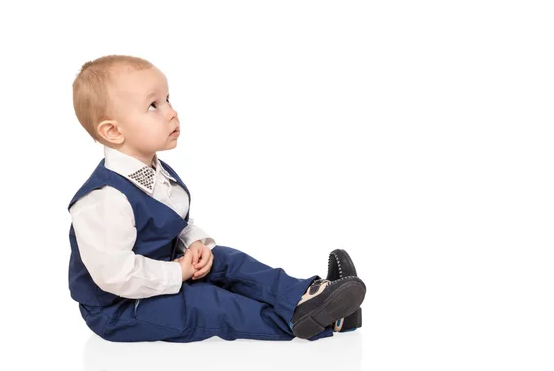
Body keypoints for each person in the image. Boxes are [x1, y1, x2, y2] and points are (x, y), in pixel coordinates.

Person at [67, 54, 366, 342]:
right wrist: (178, 272)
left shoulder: (157, 172)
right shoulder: (104, 199)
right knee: (208, 304)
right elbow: (115, 275)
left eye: (168, 99)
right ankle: (319, 321)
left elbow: (175, 223)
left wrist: (195, 244)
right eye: (153, 106)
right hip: (120, 308)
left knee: (227, 261)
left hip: (164, 271)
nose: (172, 112)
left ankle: (308, 295)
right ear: (113, 131)